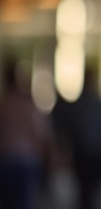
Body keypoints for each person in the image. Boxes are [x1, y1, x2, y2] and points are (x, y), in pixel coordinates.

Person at [51, 67, 101, 209]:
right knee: (88, 194)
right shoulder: (89, 107)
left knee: (87, 193)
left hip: (89, 156)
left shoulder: (90, 107)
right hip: (86, 156)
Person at [0, 56, 53, 209]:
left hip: (5, 160)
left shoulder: (3, 106)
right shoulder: (28, 106)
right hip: (26, 162)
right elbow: (42, 134)